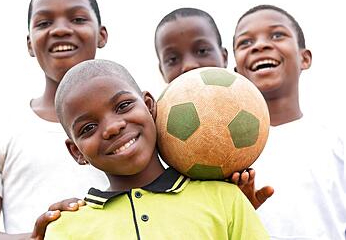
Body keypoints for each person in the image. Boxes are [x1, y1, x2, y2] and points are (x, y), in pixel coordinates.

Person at [44, 58, 269, 239]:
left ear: (150, 106)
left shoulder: (225, 199)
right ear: (76, 152)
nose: (112, 127)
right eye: (89, 127)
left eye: (123, 106)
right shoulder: (65, 229)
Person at [0, 0, 109, 239]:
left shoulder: (133, 122)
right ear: (29, 43)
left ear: (102, 35)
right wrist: (38, 237)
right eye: (44, 23)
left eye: (78, 19)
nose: (60, 30)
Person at [233, 4, 346, 239]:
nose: (260, 45)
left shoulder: (337, 141)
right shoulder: (229, 151)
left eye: (277, 35)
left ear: (304, 58)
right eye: (245, 42)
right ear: (236, 70)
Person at [155, 7, 274, 209]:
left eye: (202, 51)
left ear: (224, 56)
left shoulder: (257, 116)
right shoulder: (155, 130)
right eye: (172, 59)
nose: (189, 65)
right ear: (161, 70)